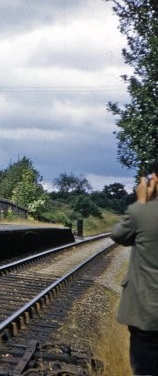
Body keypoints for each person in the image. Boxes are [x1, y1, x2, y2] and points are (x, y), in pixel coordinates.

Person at [111, 161, 158, 375]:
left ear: (154, 180)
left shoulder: (144, 213)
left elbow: (119, 234)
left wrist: (141, 202)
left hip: (148, 314)